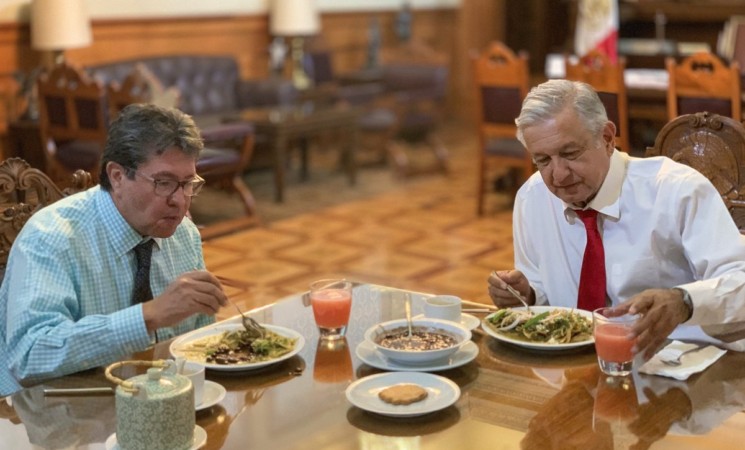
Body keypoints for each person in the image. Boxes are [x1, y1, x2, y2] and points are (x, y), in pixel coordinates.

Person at [487, 79, 745, 358]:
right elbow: (541, 291)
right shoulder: (533, 197)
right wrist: (527, 294)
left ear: (608, 138)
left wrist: (684, 301)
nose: (559, 175)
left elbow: (739, 284)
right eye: (543, 160)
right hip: (574, 366)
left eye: (570, 153)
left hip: (679, 363)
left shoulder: (675, 189)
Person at [0, 103, 228, 396]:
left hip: (155, 401)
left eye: (187, 184)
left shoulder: (182, 233)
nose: (180, 201)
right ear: (118, 176)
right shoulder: (51, 238)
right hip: (56, 415)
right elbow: (30, 356)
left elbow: (199, 342)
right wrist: (147, 316)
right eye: (164, 183)